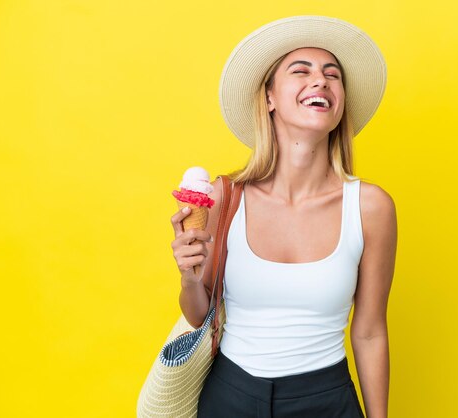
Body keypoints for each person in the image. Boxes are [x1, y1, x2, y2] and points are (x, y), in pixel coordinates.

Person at [170, 16, 397, 418]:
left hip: (327, 399)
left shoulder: (370, 207)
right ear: (270, 97)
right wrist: (189, 275)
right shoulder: (227, 196)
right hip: (230, 396)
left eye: (332, 75)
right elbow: (199, 315)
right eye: (301, 71)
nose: (321, 81)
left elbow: (369, 330)